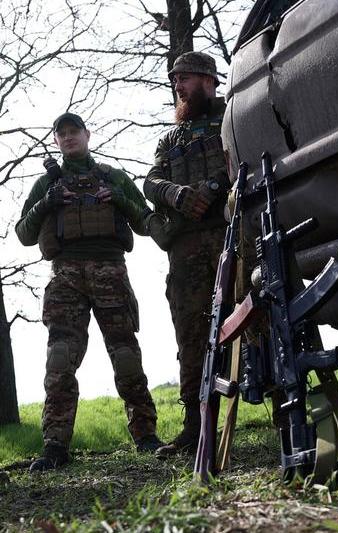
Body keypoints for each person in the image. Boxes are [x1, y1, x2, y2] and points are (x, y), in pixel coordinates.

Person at [15, 112, 163, 472]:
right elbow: (22, 233)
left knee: (126, 356)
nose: (68, 138)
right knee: (60, 360)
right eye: (61, 134)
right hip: (65, 277)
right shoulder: (46, 185)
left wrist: (117, 198)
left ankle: (146, 436)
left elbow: (146, 223)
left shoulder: (113, 177)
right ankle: (55, 447)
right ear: (56, 141)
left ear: (87, 134)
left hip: (111, 273)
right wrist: (47, 201)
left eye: (74, 132)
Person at [143, 52, 230, 457]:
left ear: (209, 80)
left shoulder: (232, 116)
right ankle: (195, 427)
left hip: (232, 237)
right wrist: (177, 194)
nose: (178, 86)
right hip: (186, 251)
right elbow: (150, 181)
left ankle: (286, 413)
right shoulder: (171, 138)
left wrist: (212, 189)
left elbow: (244, 158)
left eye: (186, 79)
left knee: (258, 321)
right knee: (190, 335)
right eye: (176, 80)